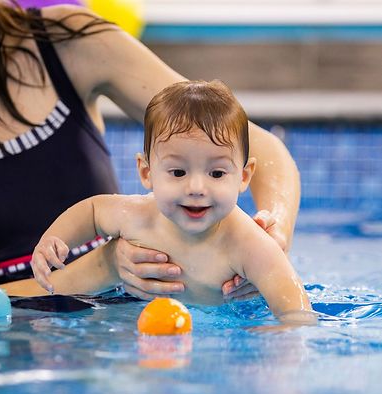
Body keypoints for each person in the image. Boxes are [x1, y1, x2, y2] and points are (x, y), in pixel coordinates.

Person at [0, 1, 301, 302]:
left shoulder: (64, 43)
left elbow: (255, 144)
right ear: (143, 171)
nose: (197, 184)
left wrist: (271, 237)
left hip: (125, 322)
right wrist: (104, 267)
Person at [31, 80, 313, 324]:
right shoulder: (136, 215)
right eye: (178, 172)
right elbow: (91, 212)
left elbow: (297, 315)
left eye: (216, 173)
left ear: (243, 176)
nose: (196, 188)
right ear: (146, 172)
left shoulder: (249, 245)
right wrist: (54, 240)